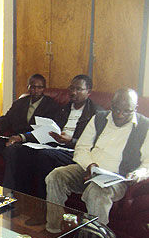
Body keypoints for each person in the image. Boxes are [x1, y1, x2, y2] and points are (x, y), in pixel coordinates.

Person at [46, 88, 149, 228]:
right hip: (88, 170)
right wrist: (90, 165)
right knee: (56, 176)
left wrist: (137, 174)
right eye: (116, 109)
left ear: (135, 109)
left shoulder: (145, 127)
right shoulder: (99, 118)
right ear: (112, 104)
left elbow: (147, 164)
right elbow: (81, 147)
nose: (119, 114)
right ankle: (54, 228)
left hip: (116, 178)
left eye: (126, 111)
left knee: (96, 191)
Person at [2, 75, 100, 198]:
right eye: (71, 88)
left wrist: (71, 141)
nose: (73, 92)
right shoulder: (63, 109)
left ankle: (40, 201)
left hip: (74, 152)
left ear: (89, 92)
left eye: (79, 89)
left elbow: (94, 144)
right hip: (55, 146)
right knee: (17, 149)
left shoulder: (96, 114)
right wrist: (22, 137)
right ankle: (14, 196)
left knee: (44, 155)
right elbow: (46, 130)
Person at [0, 74, 59, 180]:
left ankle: (8, 192)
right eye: (33, 87)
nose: (36, 90)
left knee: (12, 149)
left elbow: (47, 130)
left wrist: (21, 137)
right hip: (10, 139)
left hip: (30, 143)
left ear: (44, 89)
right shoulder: (19, 103)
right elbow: (6, 120)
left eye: (40, 87)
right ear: (28, 87)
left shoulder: (51, 106)